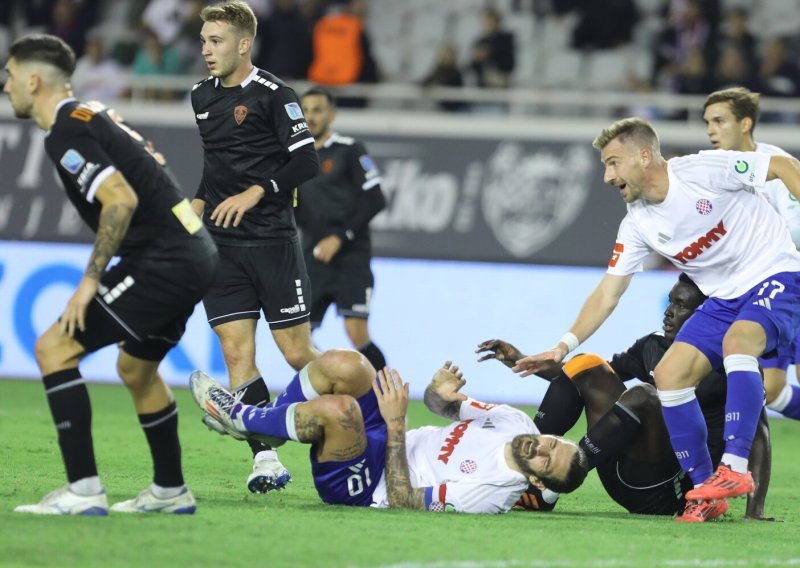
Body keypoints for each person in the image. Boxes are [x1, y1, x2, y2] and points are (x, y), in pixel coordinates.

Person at [512, 116, 800, 522]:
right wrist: (563, 345)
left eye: (613, 163)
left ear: (644, 156)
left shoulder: (702, 170)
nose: (608, 176)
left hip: (776, 274)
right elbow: (608, 292)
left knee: (740, 343)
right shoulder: (637, 224)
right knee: (669, 375)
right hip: (724, 297)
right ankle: (706, 491)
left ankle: (733, 470)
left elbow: (783, 167)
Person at [5, 34, 219, 515]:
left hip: (165, 260)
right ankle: (171, 491)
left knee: (53, 348)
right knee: (136, 369)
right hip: (194, 251)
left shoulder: (67, 131)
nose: (6, 87)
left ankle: (82, 490)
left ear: (33, 80)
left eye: (10, 76)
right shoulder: (92, 115)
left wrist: (88, 283)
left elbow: (119, 199)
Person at [477, 274, 772, 521]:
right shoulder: (653, 346)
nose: (668, 312)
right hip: (623, 471)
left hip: (672, 491)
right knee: (586, 364)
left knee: (647, 395)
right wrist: (523, 359)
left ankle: (556, 484)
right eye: (670, 301)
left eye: (680, 306)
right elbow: (583, 381)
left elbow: (758, 434)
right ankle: (528, 477)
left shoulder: (733, 361)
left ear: (706, 315)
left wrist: (753, 512)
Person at [190, 0, 321, 495]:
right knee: (234, 350)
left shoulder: (274, 94)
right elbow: (216, 164)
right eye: (203, 40)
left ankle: (370, 417)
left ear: (244, 44)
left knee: (295, 352)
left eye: (216, 41)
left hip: (271, 242)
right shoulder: (201, 96)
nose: (206, 50)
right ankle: (265, 458)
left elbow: (306, 163)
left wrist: (255, 191)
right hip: (221, 248)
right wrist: (195, 207)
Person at [190, 351, 588, 513]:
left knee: (341, 411)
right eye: (553, 442)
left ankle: (243, 417)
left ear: (536, 479)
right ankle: (271, 428)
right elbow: (442, 406)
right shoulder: (516, 423)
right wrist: (440, 390)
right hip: (388, 438)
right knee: (346, 364)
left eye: (547, 460)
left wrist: (396, 424)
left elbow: (401, 498)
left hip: (369, 485)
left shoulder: (492, 491)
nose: (543, 446)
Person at [703, 86, 800, 422]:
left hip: (790, 279)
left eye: (719, 120)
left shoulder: (777, 166)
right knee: (771, 391)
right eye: (707, 123)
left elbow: (794, 228)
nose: (711, 130)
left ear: (745, 124)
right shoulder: (713, 170)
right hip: (760, 286)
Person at [296, 86, 387, 371]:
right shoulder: (295, 157)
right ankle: (335, 385)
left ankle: (386, 401)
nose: (310, 116)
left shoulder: (349, 150)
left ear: (331, 115)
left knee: (356, 331)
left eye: (317, 110)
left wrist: (340, 236)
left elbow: (375, 199)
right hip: (313, 256)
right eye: (306, 110)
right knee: (299, 339)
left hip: (351, 256)